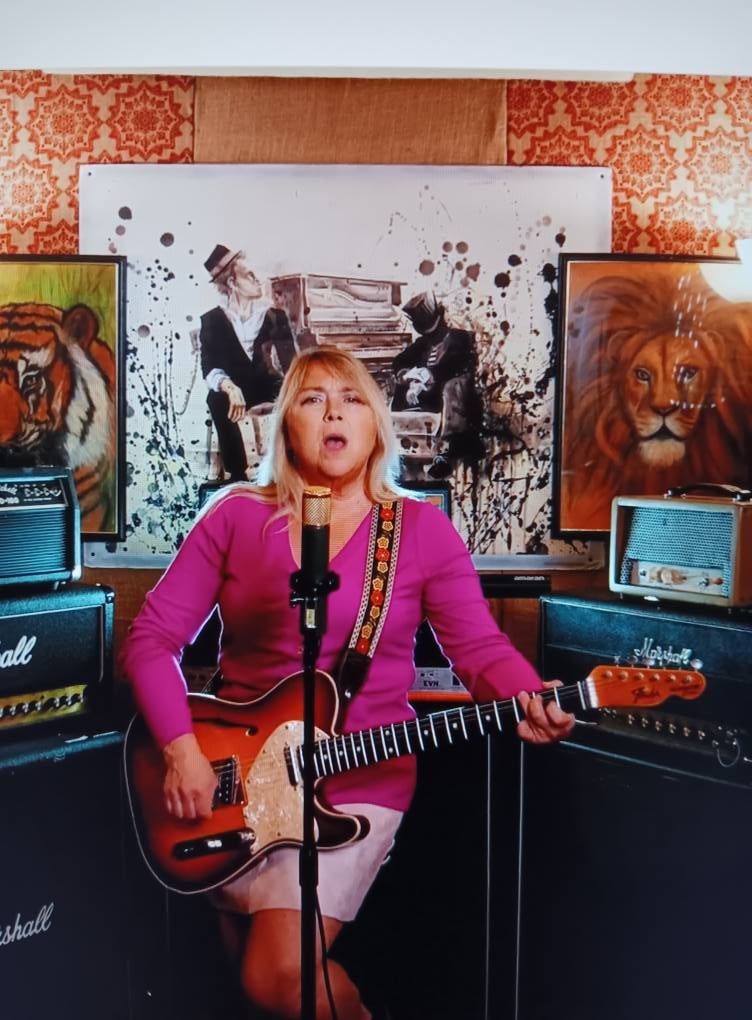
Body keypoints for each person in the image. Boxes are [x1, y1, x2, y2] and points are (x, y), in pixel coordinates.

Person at [121, 346, 574, 1020]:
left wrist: (528, 694)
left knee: (275, 977)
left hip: (360, 779)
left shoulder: (420, 530)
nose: (333, 412)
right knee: (248, 983)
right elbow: (151, 640)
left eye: (352, 398)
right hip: (232, 782)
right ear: (287, 424)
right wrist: (180, 748)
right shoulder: (234, 516)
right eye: (312, 399)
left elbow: (478, 648)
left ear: (375, 425)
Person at [200, 244, 297, 481]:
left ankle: (291, 467)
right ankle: (238, 475)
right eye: (250, 275)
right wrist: (230, 388)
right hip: (236, 389)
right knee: (215, 399)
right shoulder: (212, 320)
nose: (258, 280)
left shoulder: (275, 316)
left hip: (268, 386)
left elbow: (292, 364)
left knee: (297, 397)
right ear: (232, 283)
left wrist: (294, 392)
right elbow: (209, 367)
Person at [391, 292, 485, 478]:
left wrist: (428, 376)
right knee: (401, 389)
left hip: (453, 403)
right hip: (428, 401)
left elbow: (456, 364)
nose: (431, 336)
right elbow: (400, 361)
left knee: (452, 387)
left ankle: (445, 453)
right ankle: (403, 445)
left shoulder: (462, 339)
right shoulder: (422, 343)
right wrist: (409, 377)